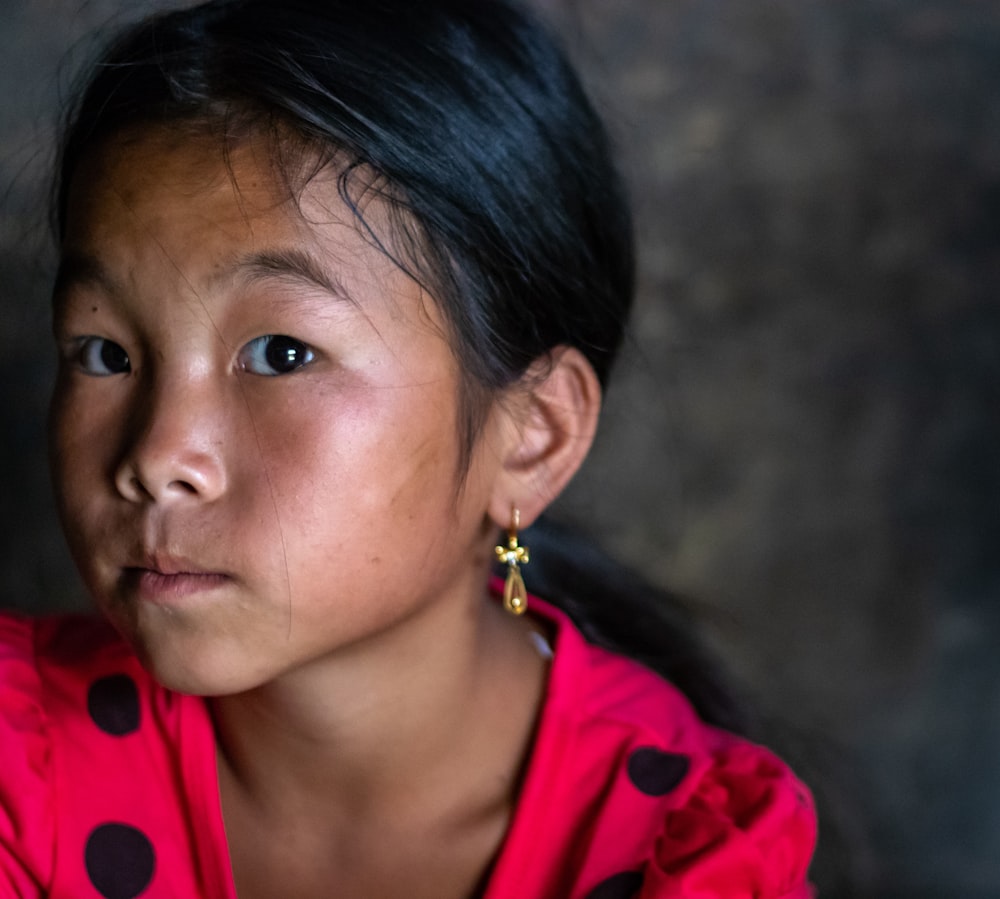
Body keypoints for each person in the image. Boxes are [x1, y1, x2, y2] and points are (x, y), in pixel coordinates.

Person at [0, 0, 817, 896]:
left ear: (530, 438)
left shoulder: (689, 857)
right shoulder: (23, 763)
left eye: (282, 353)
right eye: (105, 352)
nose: (157, 456)